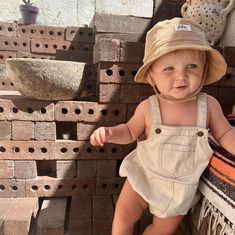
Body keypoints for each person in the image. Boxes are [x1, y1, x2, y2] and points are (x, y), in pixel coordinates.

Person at [90, 17, 235, 235]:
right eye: (169, 68)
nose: (181, 76)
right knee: (122, 217)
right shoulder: (149, 107)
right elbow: (129, 131)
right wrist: (110, 132)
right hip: (144, 176)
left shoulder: (209, 106)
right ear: (151, 77)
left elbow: (225, 133)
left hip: (179, 189)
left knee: (162, 231)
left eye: (192, 66)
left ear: (204, 70)